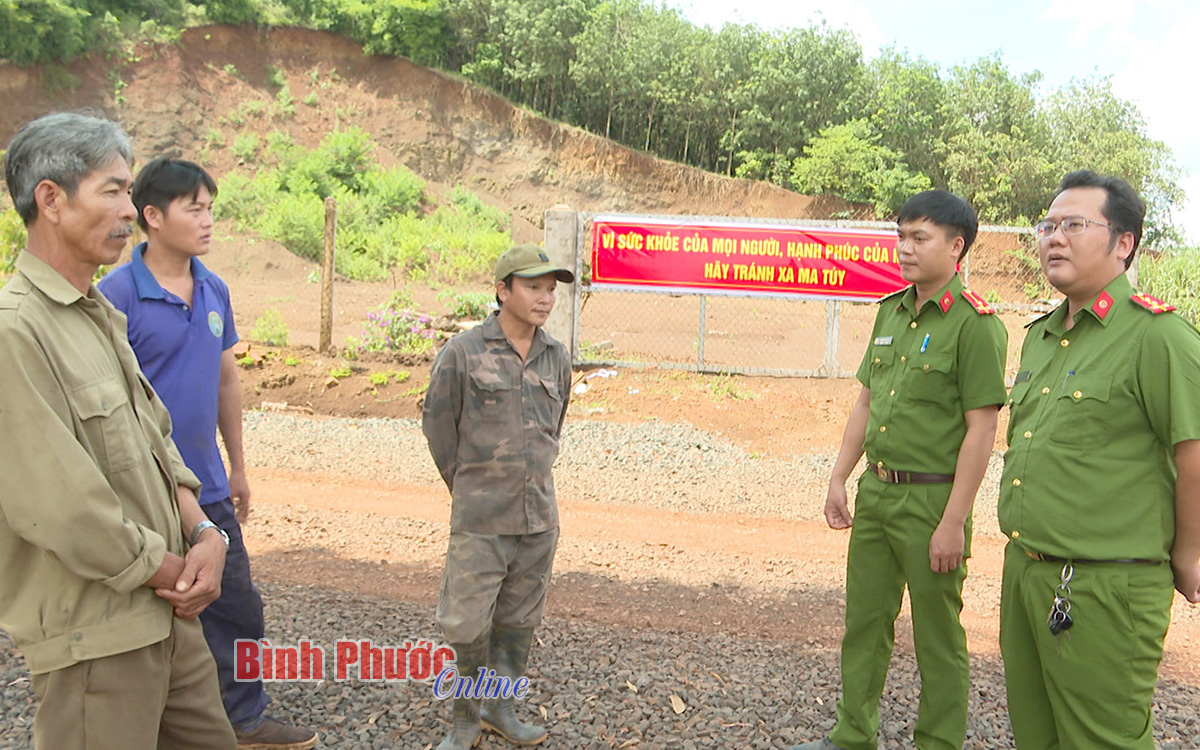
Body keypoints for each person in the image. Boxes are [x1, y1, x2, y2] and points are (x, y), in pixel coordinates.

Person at [0, 113, 237, 748]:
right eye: (111, 190)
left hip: (167, 619)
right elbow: (61, 506)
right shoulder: (15, 331)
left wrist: (205, 533)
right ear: (50, 199)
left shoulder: (99, 313)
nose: (130, 210)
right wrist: (169, 570)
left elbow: (160, 444)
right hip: (97, 637)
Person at [97, 157, 318, 749]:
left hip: (209, 489)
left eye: (210, 208)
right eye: (194, 208)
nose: (207, 220)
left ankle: (243, 719)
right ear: (152, 216)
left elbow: (225, 380)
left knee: (236, 606)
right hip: (142, 493)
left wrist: (238, 465)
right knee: (150, 615)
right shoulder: (114, 297)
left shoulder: (214, 287)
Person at [792, 190, 1008, 750]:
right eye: (900, 236)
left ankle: (938, 742)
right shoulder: (890, 311)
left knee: (938, 638)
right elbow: (866, 402)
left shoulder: (977, 325)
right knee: (864, 625)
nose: (904, 249)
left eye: (919, 237)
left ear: (956, 246)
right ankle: (851, 736)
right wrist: (840, 475)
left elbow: (981, 430)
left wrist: (954, 521)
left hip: (932, 503)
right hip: (878, 495)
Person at [999, 170, 1200, 748]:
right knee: (1037, 737)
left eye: (1074, 225)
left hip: (1105, 587)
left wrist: (1187, 553)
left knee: (1101, 741)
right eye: (1047, 225)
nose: (1053, 238)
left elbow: (1194, 455)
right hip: (1028, 571)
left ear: (1123, 243)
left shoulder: (1156, 336)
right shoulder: (1041, 336)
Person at [421, 244, 574, 750]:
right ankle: (464, 719)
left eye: (551, 289)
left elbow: (555, 426)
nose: (545, 298)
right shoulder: (462, 353)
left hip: (538, 520)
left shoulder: (556, 356)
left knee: (517, 624)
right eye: (533, 287)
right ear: (502, 290)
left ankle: (498, 709)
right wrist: (470, 487)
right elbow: (439, 427)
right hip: (481, 519)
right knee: (465, 626)